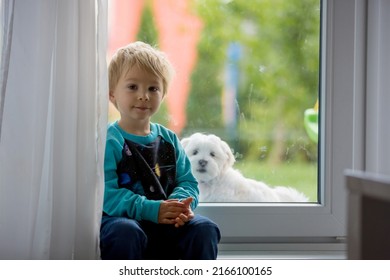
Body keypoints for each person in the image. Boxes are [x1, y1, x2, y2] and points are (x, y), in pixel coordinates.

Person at [100, 41, 221, 260]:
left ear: (162, 95)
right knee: (123, 233)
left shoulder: (169, 139)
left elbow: (187, 182)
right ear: (112, 95)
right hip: (126, 220)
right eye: (132, 87)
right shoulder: (110, 140)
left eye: (152, 88)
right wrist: (152, 210)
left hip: (168, 221)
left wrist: (179, 207)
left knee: (205, 229)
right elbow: (106, 194)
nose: (143, 96)